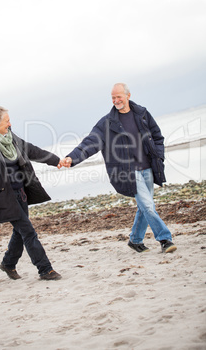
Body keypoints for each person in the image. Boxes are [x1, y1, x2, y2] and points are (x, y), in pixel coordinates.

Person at [62, 83, 177, 254]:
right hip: (128, 172)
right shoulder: (108, 123)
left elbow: (157, 137)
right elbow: (90, 142)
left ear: (128, 96)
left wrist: (158, 156)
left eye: (119, 97)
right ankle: (164, 239)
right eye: (113, 98)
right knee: (148, 205)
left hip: (148, 168)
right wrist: (72, 157)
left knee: (144, 207)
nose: (116, 100)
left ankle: (135, 240)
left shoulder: (142, 114)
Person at [0, 106, 64, 281]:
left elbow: (32, 150)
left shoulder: (11, 138)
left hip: (20, 192)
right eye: (6, 121)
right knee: (28, 232)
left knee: (20, 232)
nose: (10, 123)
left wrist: (56, 160)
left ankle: (8, 264)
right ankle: (45, 269)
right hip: (4, 197)